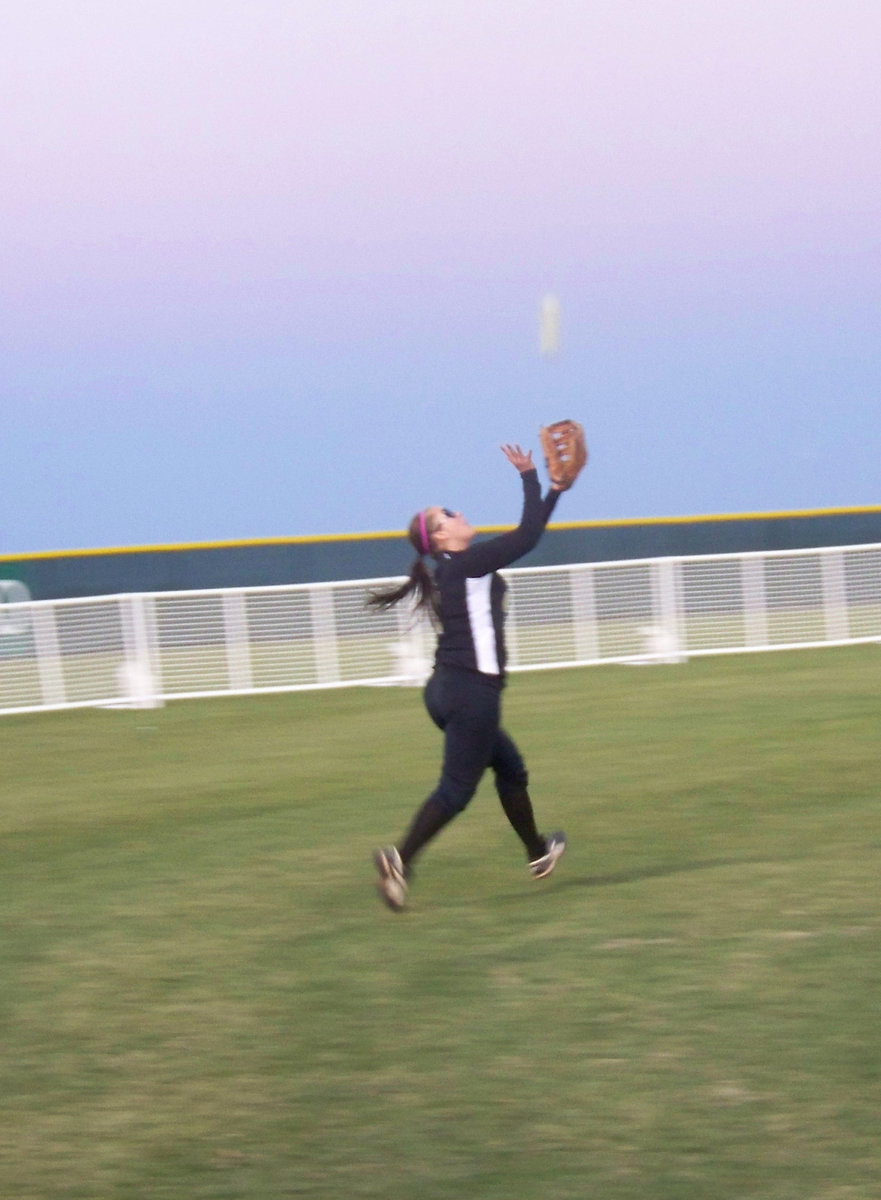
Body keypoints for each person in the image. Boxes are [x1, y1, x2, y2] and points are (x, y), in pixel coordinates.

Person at [368, 441, 572, 911]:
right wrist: (536, 482)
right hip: (470, 692)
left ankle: (538, 853)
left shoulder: (453, 570)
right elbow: (527, 537)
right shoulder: (467, 565)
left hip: (445, 691)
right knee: (456, 791)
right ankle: (399, 860)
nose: (459, 515)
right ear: (440, 539)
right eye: (448, 515)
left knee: (510, 768)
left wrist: (553, 487)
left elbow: (524, 537)